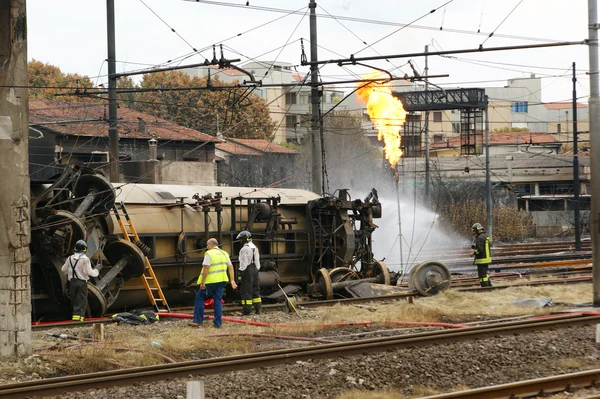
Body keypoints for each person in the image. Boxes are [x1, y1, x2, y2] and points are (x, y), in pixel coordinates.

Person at [191, 238, 237, 328]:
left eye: (207, 245)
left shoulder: (209, 253)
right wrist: (232, 280)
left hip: (210, 281)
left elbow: (206, 268)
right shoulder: (225, 253)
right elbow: (230, 267)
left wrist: (203, 282)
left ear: (211, 245)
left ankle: (198, 321)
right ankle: (218, 323)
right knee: (218, 300)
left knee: (199, 298)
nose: (207, 247)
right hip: (222, 280)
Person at [61, 239, 99, 322]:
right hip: (82, 283)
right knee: (81, 301)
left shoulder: (70, 258)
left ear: (75, 248)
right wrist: (96, 272)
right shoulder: (85, 260)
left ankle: (74, 319)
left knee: (74, 301)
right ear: (85, 249)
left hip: (72, 283)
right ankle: (79, 320)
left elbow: (63, 270)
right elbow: (90, 272)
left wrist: (70, 272)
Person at [237, 230, 261, 315]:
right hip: (255, 269)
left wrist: (240, 274)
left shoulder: (244, 249)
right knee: (255, 289)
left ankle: (247, 311)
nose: (240, 241)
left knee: (246, 290)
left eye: (240, 239)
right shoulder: (255, 248)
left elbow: (244, 263)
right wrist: (256, 269)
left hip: (247, 270)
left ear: (244, 239)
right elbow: (258, 263)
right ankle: (258, 309)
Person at [471, 223, 492, 287]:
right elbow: (483, 247)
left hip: (481, 259)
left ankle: (485, 287)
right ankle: (489, 286)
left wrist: (473, 253)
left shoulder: (480, 237)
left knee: (482, 275)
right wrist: (475, 247)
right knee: (485, 274)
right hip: (486, 258)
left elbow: (480, 250)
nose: (475, 233)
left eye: (475, 231)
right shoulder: (486, 236)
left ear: (478, 230)